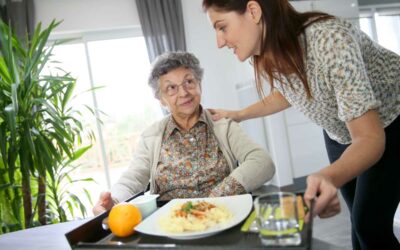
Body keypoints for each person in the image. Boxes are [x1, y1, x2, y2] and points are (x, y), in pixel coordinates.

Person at [202, 0, 400, 249]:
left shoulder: (329, 41)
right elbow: (287, 92)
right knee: (358, 222)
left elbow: (370, 138)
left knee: (369, 224)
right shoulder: (265, 52)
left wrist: (326, 175)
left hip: (390, 123)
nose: (219, 42)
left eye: (222, 27)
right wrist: (239, 114)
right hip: (340, 133)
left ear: (253, 11)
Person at [93, 51, 275, 216]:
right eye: (171, 88)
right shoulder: (152, 136)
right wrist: (113, 200)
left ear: (199, 85)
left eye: (189, 82)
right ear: (161, 99)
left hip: (223, 214)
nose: (184, 93)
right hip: (172, 222)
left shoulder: (223, 125)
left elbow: (262, 162)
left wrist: (216, 197)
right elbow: (133, 177)